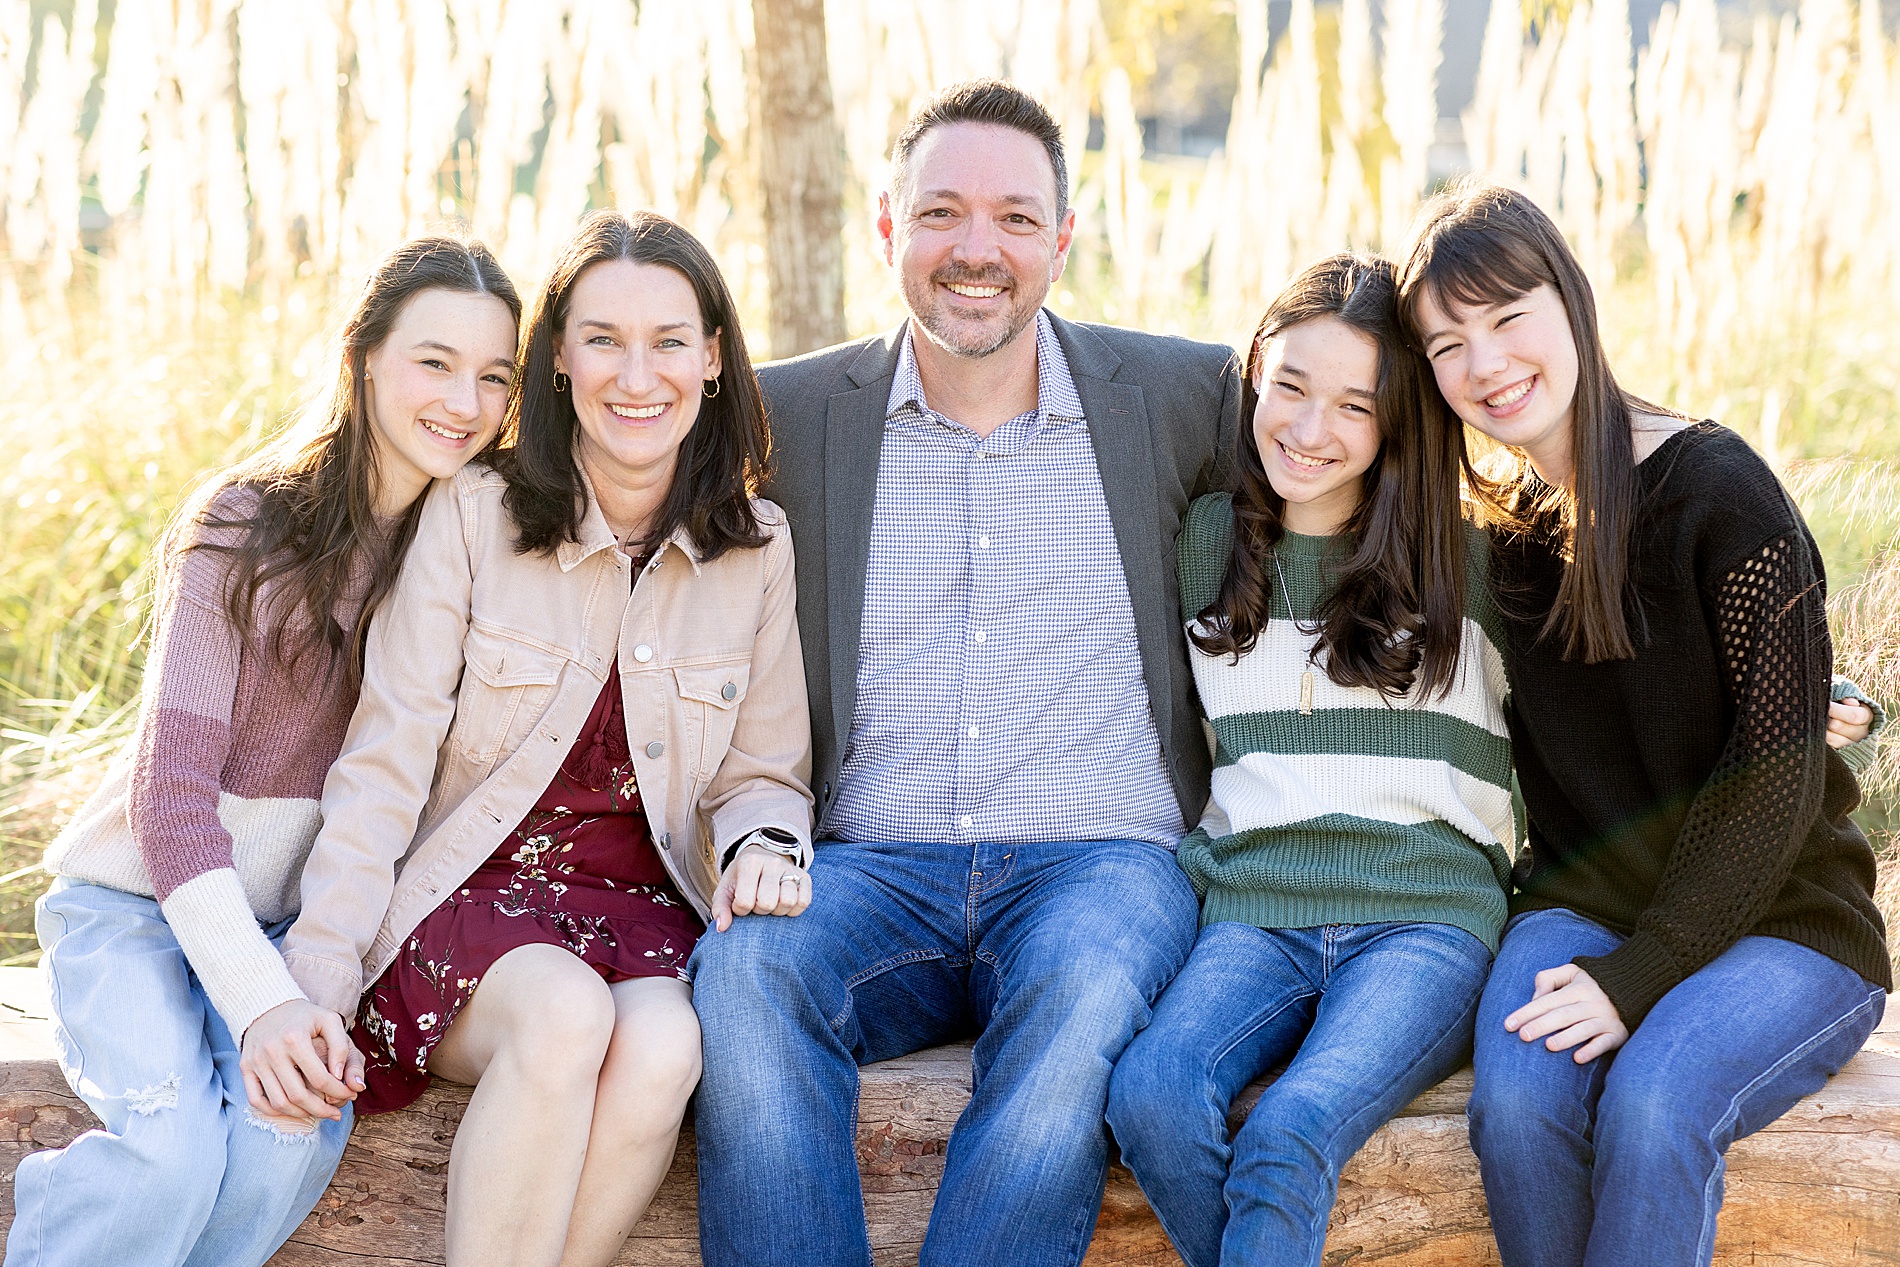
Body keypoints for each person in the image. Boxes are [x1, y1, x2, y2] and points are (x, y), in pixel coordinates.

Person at [687, 79, 1240, 1267]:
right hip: (868, 863)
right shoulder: (784, 417)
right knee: (743, 974)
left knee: (1086, 996)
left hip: (1102, 864)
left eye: (1014, 218)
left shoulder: (1183, 395)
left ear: (1062, 238)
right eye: (940, 213)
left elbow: (1367, 443)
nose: (976, 250)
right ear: (887, 227)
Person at [254, 210, 815, 1267]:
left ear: (711, 358)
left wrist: (765, 847)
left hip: (642, 915)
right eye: (601, 338)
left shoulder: (756, 546)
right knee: (562, 1012)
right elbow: (386, 759)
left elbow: (762, 775)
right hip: (465, 904)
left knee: (665, 1044)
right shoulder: (477, 513)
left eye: (667, 341)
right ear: (557, 357)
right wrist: (314, 975)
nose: (634, 375)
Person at [1396, 180, 1891, 1267]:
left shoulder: (1721, 494)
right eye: (1446, 344)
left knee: (1656, 1102)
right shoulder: (1499, 531)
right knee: (1518, 1110)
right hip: (1582, 900)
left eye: (1507, 316)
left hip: (1783, 919)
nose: (1485, 364)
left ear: (1571, 303)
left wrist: (1646, 971)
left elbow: (1773, 778)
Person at [7, 235, 521, 1267]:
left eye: (494, 375)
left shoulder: (473, 556)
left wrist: (301, 988)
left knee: (282, 1142)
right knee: (170, 1156)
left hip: (303, 930)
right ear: (362, 358)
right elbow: (171, 807)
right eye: (433, 361)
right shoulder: (243, 528)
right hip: (140, 908)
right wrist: (266, 1003)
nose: (464, 401)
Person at [1105, 253, 1509, 1267]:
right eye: (1288, 385)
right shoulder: (1203, 544)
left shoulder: (1467, 562)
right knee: (1150, 1091)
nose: (1308, 428)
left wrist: (1781, 688)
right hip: (1252, 913)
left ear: (1395, 426)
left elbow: (1627, 658)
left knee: (1290, 1127)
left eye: (1353, 407)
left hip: (1425, 918)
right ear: (1252, 373)